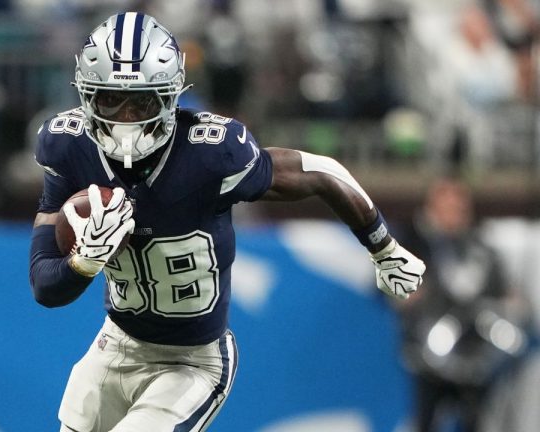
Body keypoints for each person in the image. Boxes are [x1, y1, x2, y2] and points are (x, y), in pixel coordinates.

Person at [28, 12, 426, 432]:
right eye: (111, 99)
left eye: (142, 102)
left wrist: (384, 246)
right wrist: (83, 264)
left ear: (170, 97)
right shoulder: (67, 146)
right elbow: (44, 286)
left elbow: (318, 173)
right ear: (87, 96)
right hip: (115, 345)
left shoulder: (212, 153)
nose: (127, 119)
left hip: (193, 360)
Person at [391, 177, 531, 432]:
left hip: (475, 358)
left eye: (459, 207)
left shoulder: (482, 249)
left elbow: (504, 293)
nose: (454, 214)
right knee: (427, 420)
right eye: (447, 206)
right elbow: (390, 288)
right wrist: (406, 295)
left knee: (476, 421)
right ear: (432, 207)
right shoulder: (412, 246)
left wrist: (511, 305)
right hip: (429, 355)